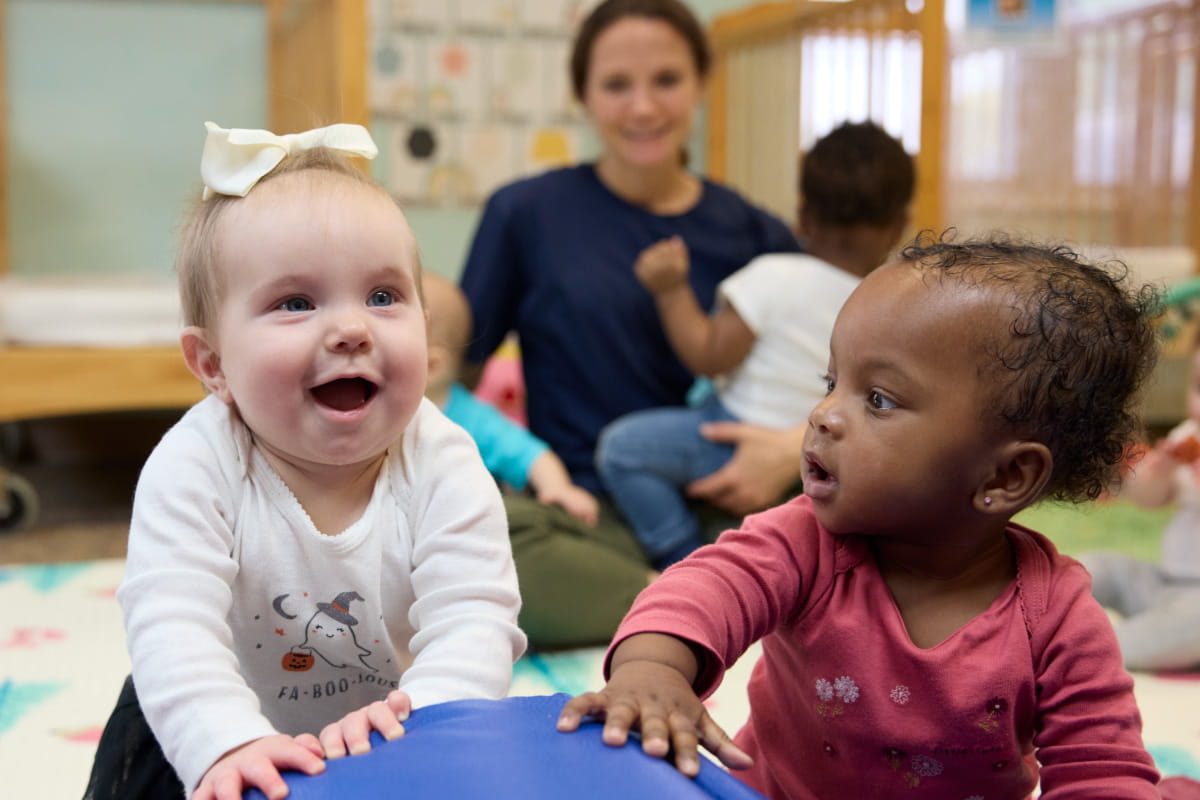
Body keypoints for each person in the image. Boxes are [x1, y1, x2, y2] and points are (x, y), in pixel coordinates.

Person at [558, 234, 1164, 799]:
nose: (822, 415)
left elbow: (1104, 768)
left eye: (878, 399)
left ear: (1005, 477)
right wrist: (653, 669)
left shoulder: (1056, 618)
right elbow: (705, 588)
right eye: (831, 381)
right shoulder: (807, 543)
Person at [84, 122, 525, 800]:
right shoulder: (194, 465)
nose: (353, 329)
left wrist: (428, 725)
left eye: (383, 296)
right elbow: (170, 620)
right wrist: (225, 741)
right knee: (154, 728)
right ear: (213, 365)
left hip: (394, 721)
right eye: (296, 303)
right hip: (206, 712)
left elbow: (477, 620)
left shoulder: (443, 461)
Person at [458, 0, 802, 647]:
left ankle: (678, 599)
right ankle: (693, 602)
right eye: (617, 85)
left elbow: (854, 377)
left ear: (701, 83)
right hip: (581, 518)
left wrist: (788, 449)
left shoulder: (755, 233)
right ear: (583, 95)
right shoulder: (524, 215)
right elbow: (446, 376)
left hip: (723, 507)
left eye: (666, 81)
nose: (643, 108)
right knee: (469, 545)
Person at [595, 121, 915, 568]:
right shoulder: (891, 307)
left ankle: (681, 558)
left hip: (730, 433)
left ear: (802, 215)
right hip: (827, 457)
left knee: (622, 451)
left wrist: (670, 290)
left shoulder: (772, 275)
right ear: (900, 225)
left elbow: (709, 355)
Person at [423, 272, 599, 526]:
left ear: (432, 366)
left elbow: (530, 454)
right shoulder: (370, 411)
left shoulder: (468, 419)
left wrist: (558, 489)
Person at [1081, 326, 1200, 671]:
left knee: (1190, 625)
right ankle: (1038, 607)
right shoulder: (1188, 436)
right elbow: (1150, 500)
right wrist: (1158, 472)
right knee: (1098, 566)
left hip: (1195, 609)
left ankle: (1091, 650)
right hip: (1162, 581)